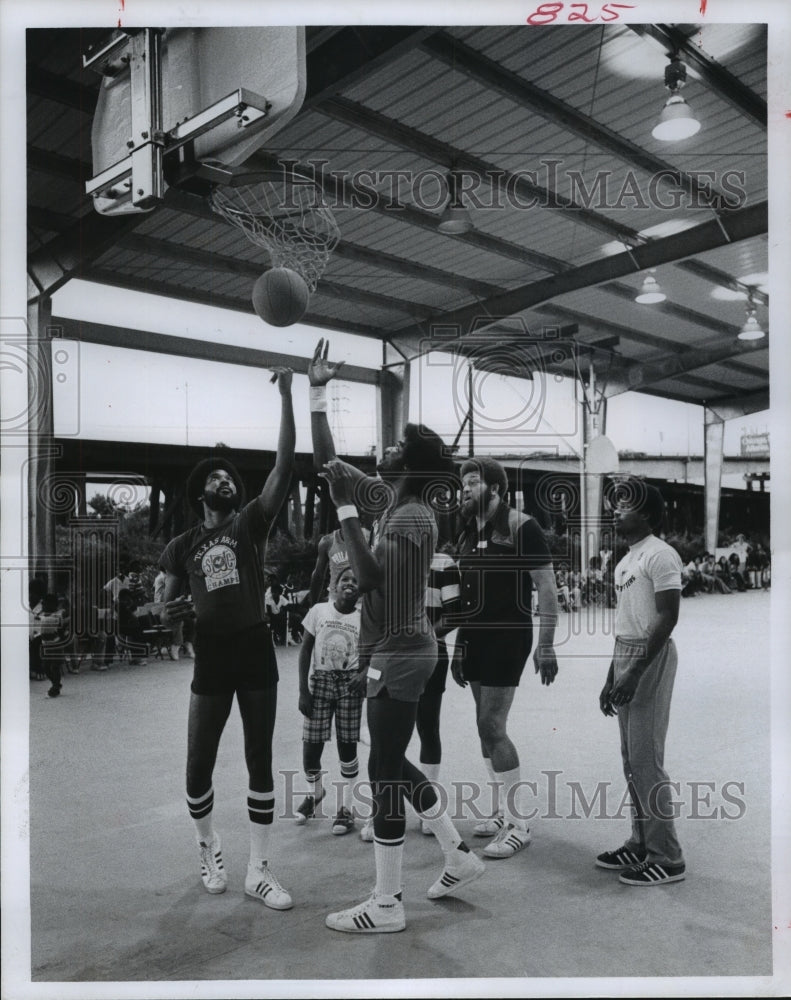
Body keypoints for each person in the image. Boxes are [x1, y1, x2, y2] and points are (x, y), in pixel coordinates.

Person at [308, 339, 485, 934]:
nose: (383, 448)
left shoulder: (411, 515)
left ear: (408, 462)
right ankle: (457, 855)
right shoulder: (390, 499)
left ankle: (386, 904)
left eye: (395, 444)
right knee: (394, 763)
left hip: (405, 652)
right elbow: (331, 468)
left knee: (383, 770)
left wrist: (344, 517)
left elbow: (373, 573)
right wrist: (316, 395)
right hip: (392, 650)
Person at [159, 367, 295, 911]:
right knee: (199, 762)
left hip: (255, 644)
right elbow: (166, 605)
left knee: (259, 758)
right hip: (212, 653)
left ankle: (258, 870)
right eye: (216, 478)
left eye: (229, 476)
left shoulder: (248, 525)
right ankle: (208, 845)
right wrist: (169, 609)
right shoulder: (182, 545)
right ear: (201, 492)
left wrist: (287, 397)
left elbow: (283, 468)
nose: (226, 480)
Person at [451, 457, 559, 859]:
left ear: (495, 488)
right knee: (484, 728)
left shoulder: (520, 526)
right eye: (462, 483)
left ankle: (518, 823)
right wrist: (460, 644)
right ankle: (500, 811)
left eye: (473, 482)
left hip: (507, 637)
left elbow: (546, 587)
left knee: (492, 724)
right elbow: (468, 593)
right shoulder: (468, 531)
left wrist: (545, 644)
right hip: (475, 639)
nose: (464, 489)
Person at [597, 479, 685, 886]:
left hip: (650, 656)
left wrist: (635, 671)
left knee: (647, 759)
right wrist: (611, 675)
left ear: (647, 513)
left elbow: (667, 617)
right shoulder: (625, 560)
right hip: (625, 654)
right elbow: (624, 624)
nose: (616, 510)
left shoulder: (661, 555)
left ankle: (667, 857)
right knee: (631, 760)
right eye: (614, 504)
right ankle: (640, 842)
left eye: (625, 504)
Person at [296, 566, 365, 835]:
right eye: (344, 579)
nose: (350, 583)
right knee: (311, 748)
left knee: (347, 748)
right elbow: (305, 651)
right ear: (334, 586)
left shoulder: (364, 618)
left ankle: (346, 809)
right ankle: (315, 793)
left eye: (355, 580)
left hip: (350, 684)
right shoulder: (319, 611)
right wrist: (303, 690)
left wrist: (364, 676)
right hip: (321, 682)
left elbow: (374, 655)